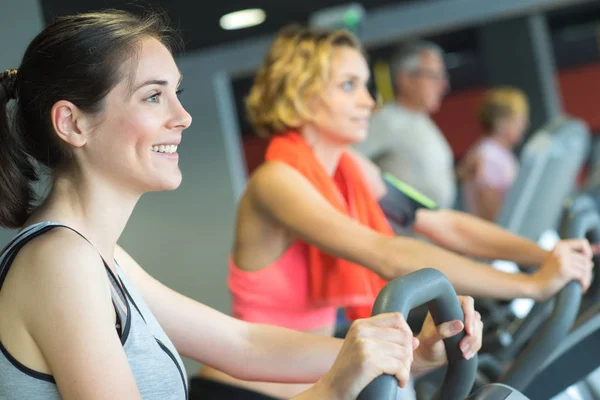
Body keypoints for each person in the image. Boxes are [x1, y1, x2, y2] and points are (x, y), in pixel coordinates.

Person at [0, 10, 483, 400]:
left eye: (177, 94)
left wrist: (410, 355)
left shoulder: (100, 258)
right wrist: (333, 391)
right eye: (153, 97)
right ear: (73, 124)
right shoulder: (59, 263)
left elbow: (242, 343)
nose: (183, 117)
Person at [193, 24, 594, 400]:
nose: (369, 101)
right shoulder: (276, 180)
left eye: (365, 85)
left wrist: (545, 258)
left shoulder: (350, 169)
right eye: (349, 86)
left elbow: (442, 222)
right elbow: (388, 254)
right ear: (300, 93)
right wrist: (531, 286)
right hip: (245, 390)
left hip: (310, 379)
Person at [353, 40, 457, 209]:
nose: (443, 85)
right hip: (399, 230)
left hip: (431, 228)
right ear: (406, 79)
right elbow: (347, 160)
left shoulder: (422, 120)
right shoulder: (387, 120)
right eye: (434, 76)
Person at [459, 87, 529, 221]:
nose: (524, 125)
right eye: (518, 119)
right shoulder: (489, 155)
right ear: (501, 122)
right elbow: (491, 212)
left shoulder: (497, 153)